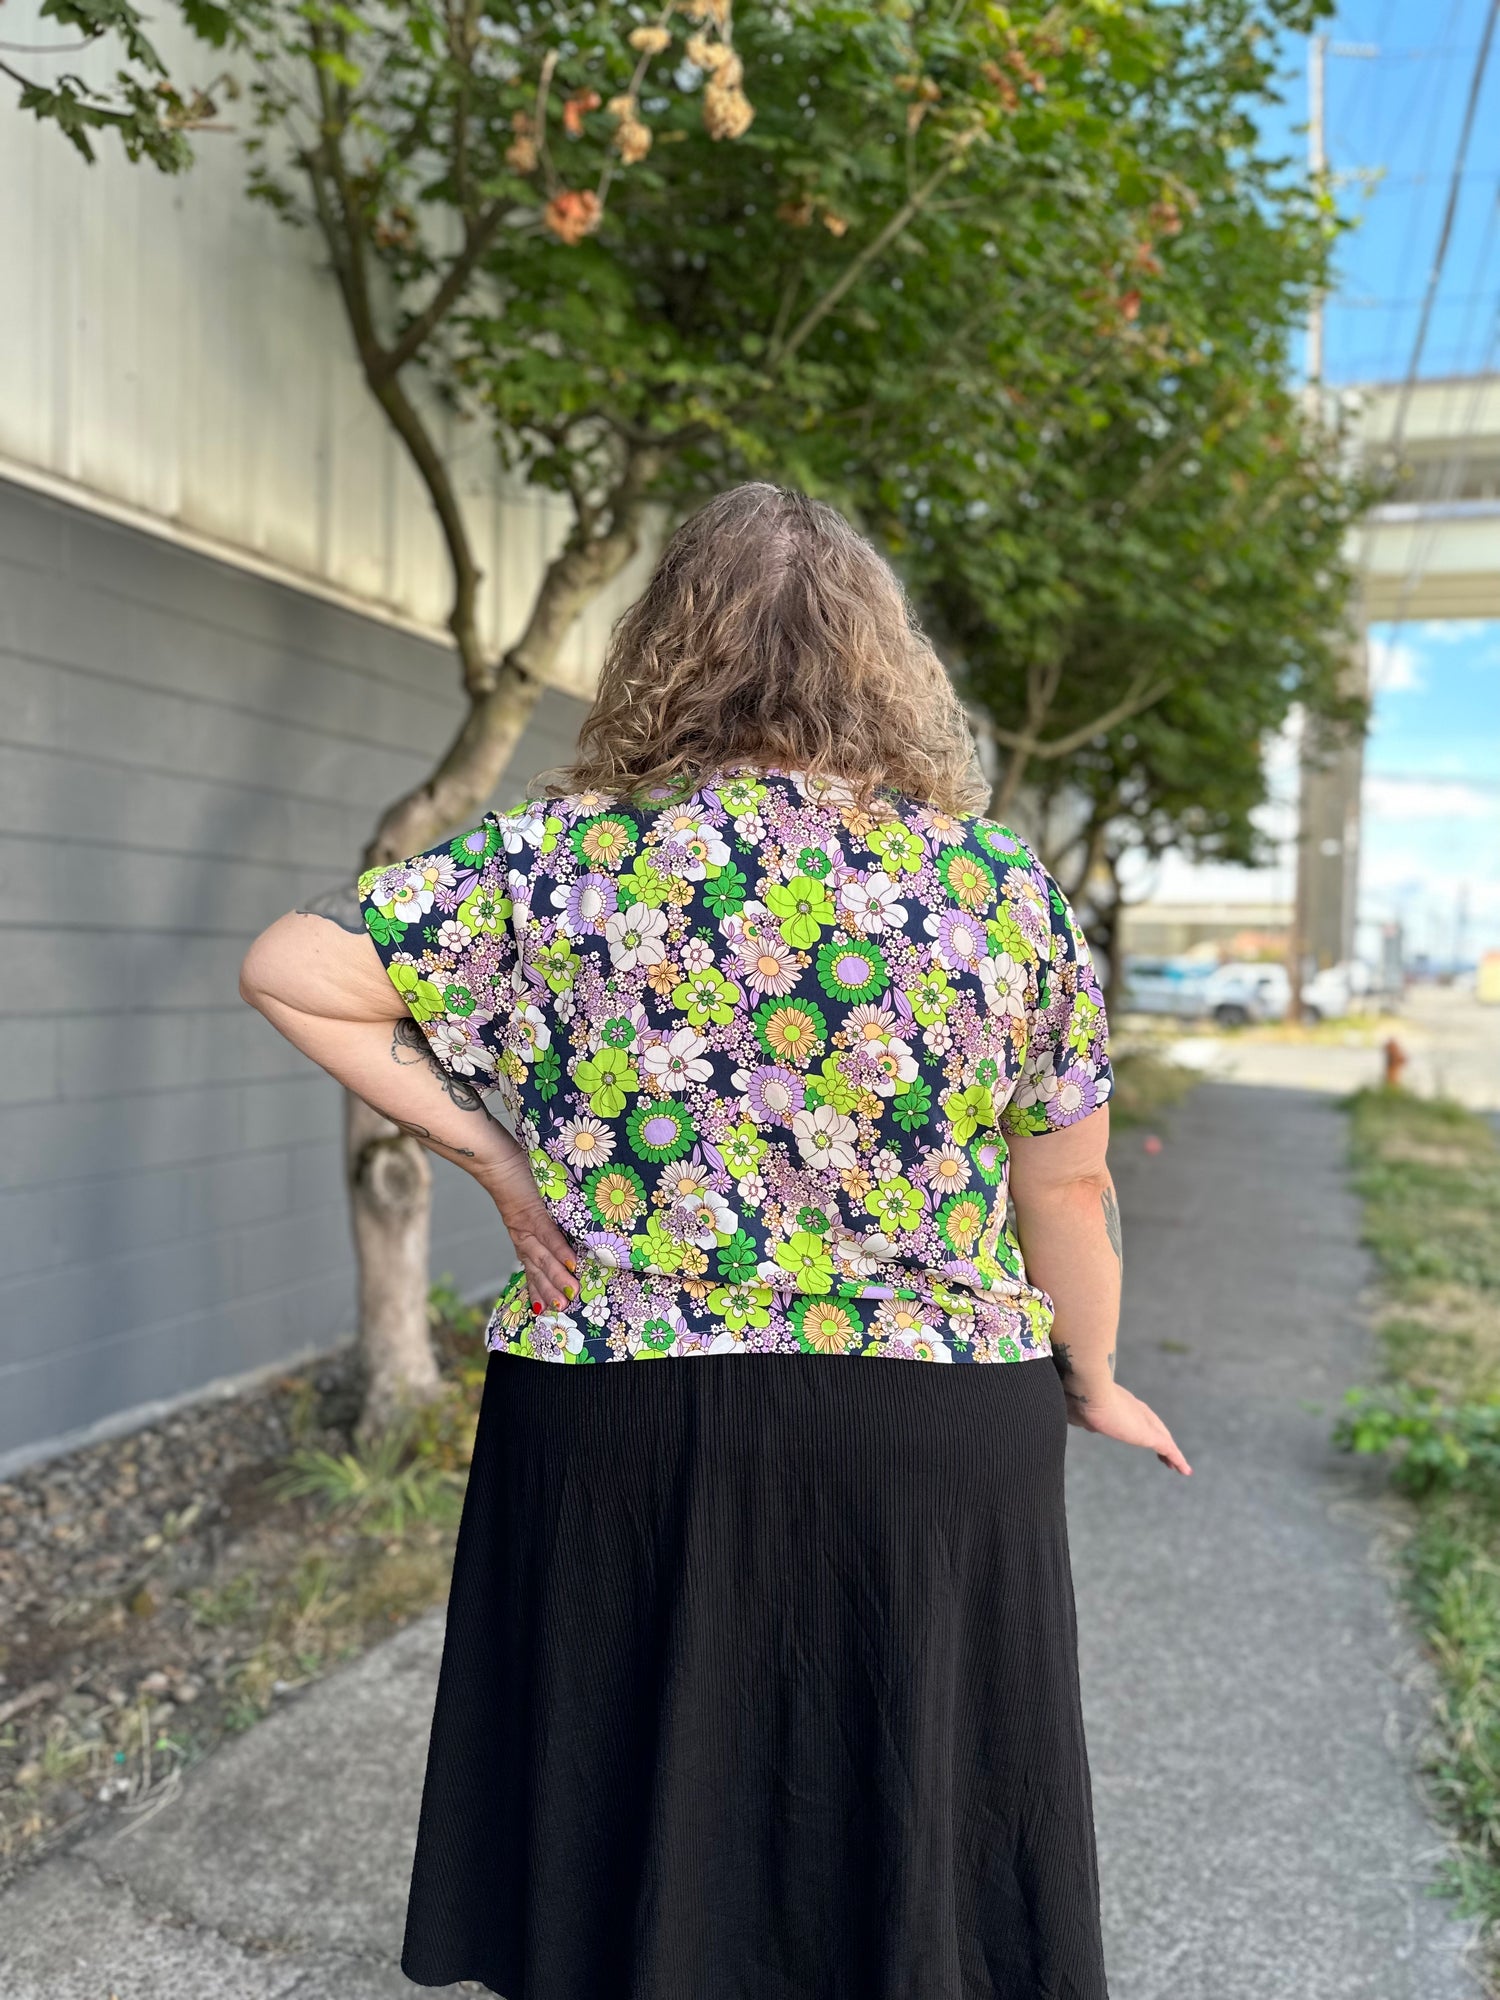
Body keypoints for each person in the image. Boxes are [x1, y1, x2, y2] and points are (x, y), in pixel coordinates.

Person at [240, 483, 1190, 2000]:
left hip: (621, 1409)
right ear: (887, 666)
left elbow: (291, 968)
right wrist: (1096, 1372)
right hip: (927, 1414)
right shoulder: (997, 891)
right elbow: (1065, 1191)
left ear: (660, 652)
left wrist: (488, 1149)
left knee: (634, 1789)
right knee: (906, 1805)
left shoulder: (552, 858)